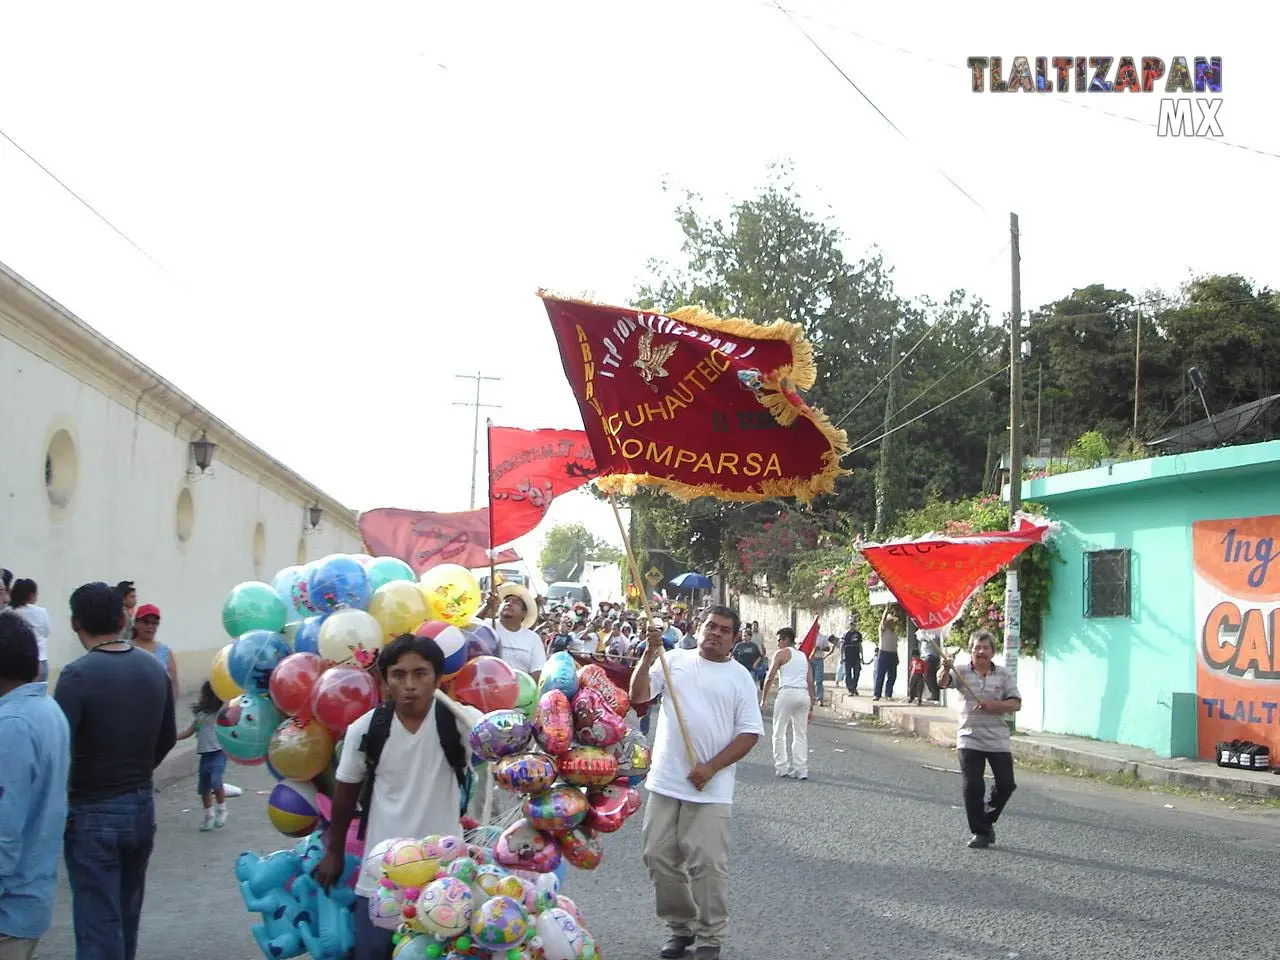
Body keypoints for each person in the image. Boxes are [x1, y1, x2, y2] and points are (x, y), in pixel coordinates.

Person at [315, 634, 479, 960]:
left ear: (437, 678)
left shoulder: (461, 723)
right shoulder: (365, 729)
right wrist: (333, 852)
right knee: (373, 952)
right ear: (385, 680)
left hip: (445, 874)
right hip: (382, 874)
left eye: (420, 673)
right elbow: (346, 793)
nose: (410, 684)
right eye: (398, 674)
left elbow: (504, 748)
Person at [630, 607, 763, 960]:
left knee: (707, 864)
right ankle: (681, 928)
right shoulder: (672, 660)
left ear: (735, 639)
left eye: (724, 630)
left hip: (711, 788)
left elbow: (750, 733)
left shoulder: (739, 678)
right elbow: (639, 696)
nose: (715, 633)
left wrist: (711, 767)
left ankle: (709, 937)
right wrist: (646, 656)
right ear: (698, 628)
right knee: (657, 856)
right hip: (665, 781)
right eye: (710, 626)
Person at [54, 582, 175, 960]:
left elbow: (59, 747)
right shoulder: (153, 670)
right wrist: (137, 768)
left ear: (76, 623)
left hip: (93, 807)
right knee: (126, 915)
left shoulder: (76, 676)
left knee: (97, 922)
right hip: (140, 803)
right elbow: (168, 737)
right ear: (124, 618)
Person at [0, 611, 70, 960]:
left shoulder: (10, 724)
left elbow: (3, 831)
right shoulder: (48, 709)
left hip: (9, 910)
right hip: (31, 899)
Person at [938, 630, 1022, 849]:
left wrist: (996, 706)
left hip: (998, 739)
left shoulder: (1003, 675)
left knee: (1006, 784)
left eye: (985, 648)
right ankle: (980, 832)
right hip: (969, 738)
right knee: (973, 786)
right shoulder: (962, 671)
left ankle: (986, 817)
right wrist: (945, 668)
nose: (981, 651)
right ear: (970, 651)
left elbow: (1016, 703)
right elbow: (943, 682)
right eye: (977, 647)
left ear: (993, 652)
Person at [760, 626, 814, 781]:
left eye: (779, 640)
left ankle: (782, 767)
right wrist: (812, 705)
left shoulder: (781, 654)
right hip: (803, 694)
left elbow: (769, 677)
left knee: (779, 732)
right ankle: (801, 769)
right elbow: (810, 681)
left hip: (787, 692)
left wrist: (764, 699)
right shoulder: (803, 656)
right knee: (801, 734)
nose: (778, 644)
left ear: (785, 640)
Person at [176, 682, 227, 832]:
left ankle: (222, 809)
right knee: (203, 787)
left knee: (215, 780)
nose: (200, 697)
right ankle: (209, 815)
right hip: (205, 754)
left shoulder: (219, 714)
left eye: (203, 694)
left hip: (218, 752)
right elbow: (189, 731)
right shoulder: (200, 715)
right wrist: (174, 737)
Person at [486, 584, 546, 682]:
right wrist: (486, 607)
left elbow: (537, 672)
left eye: (515, 602)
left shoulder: (533, 639)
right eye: (506, 601)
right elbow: (468, 629)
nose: (509, 604)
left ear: (524, 613)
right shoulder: (488, 626)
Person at [130, 603, 179, 702]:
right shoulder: (125, 648)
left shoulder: (165, 651)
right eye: (146, 622)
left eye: (154, 623)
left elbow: (173, 682)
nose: (150, 626)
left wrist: (170, 706)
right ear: (136, 623)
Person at [7, 580, 51, 683]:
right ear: (31, 595)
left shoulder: (8, 612)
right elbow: (46, 632)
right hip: (40, 659)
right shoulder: (41, 612)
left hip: (15, 660)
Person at [873, 610, 901, 701]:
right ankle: (877, 694)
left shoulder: (894, 634)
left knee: (892, 676)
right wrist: (886, 609)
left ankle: (888, 694)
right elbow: (883, 620)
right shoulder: (883, 630)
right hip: (884, 654)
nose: (893, 623)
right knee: (880, 675)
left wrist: (897, 656)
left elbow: (895, 646)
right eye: (891, 621)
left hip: (893, 654)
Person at [841, 617, 864, 695]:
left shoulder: (858, 634)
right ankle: (850, 689)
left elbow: (860, 646)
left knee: (857, 673)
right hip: (847, 657)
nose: (852, 626)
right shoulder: (845, 634)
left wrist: (862, 657)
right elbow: (842, 646)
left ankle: (854, 687)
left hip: (856, 657)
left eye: (853, 624)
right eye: (851, 624)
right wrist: (842, 657)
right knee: (848, 674)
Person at [920, 631, 943, 703]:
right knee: (930, 676)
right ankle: (934, 693)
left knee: (929, 676)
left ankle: (935, 694)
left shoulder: (934, 632)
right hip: (928, 656)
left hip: (931, 656)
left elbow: (922, 638)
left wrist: (923, 631)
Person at [811, 633, 832, 702]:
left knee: (819, 680)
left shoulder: (822, 637)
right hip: (810, 659)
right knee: (810, 680)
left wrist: (820, 648)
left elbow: (828, 648)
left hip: (818, 659)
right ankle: (811, 696)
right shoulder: (808, 636)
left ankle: (820, 697)